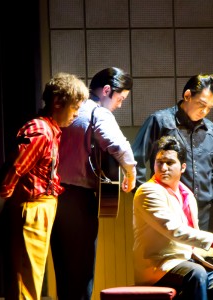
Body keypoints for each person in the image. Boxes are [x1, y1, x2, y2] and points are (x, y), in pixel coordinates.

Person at [0, 72, 89, 300]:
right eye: (74, 106)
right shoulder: (39, 130)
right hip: (32, 208)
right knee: (25, 280)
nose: (76, 113)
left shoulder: (52, 131)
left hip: (43, 206)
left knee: (33, 275)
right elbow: (14, 170)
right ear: (58, 102)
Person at [50, 67, 137, 300]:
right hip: (80, 199)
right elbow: (117, 146)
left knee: (63, 268)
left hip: (54, 198)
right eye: (120, 99)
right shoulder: (96, 111)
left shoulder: (66, 110)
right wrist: (131, 172)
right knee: (82, 270)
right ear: (107, 90)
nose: (119, 105)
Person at [133, 135, 213, 299]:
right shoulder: (148, 191)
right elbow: (174, 230)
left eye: (170, 162)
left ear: (183, 167)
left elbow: (191, 243)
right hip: (158, 266)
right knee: (196, 274)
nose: (164, 167)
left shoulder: (187, 195)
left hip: (187, 262)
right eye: (159, 162)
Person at [132, 74, 213, 238]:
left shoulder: (212, 132)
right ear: (187, 96)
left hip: (201, 211)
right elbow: (136, 160)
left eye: (210, 108)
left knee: (197, 258)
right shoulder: (160, 121)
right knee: (171, 259)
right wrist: (144, 197)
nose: (204, 111)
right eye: (201, 104)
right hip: (166, 207)